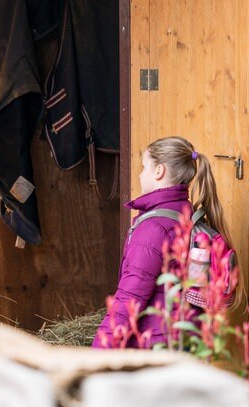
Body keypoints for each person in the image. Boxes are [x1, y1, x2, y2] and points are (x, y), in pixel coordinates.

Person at [92, 136, 239, 348]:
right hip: (189, 339)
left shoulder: (153, 228)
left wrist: (100, 349)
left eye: (144, 167)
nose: (141, 174)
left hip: (156, 346)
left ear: (159, 171)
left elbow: (130, 299)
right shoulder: (186, 214)